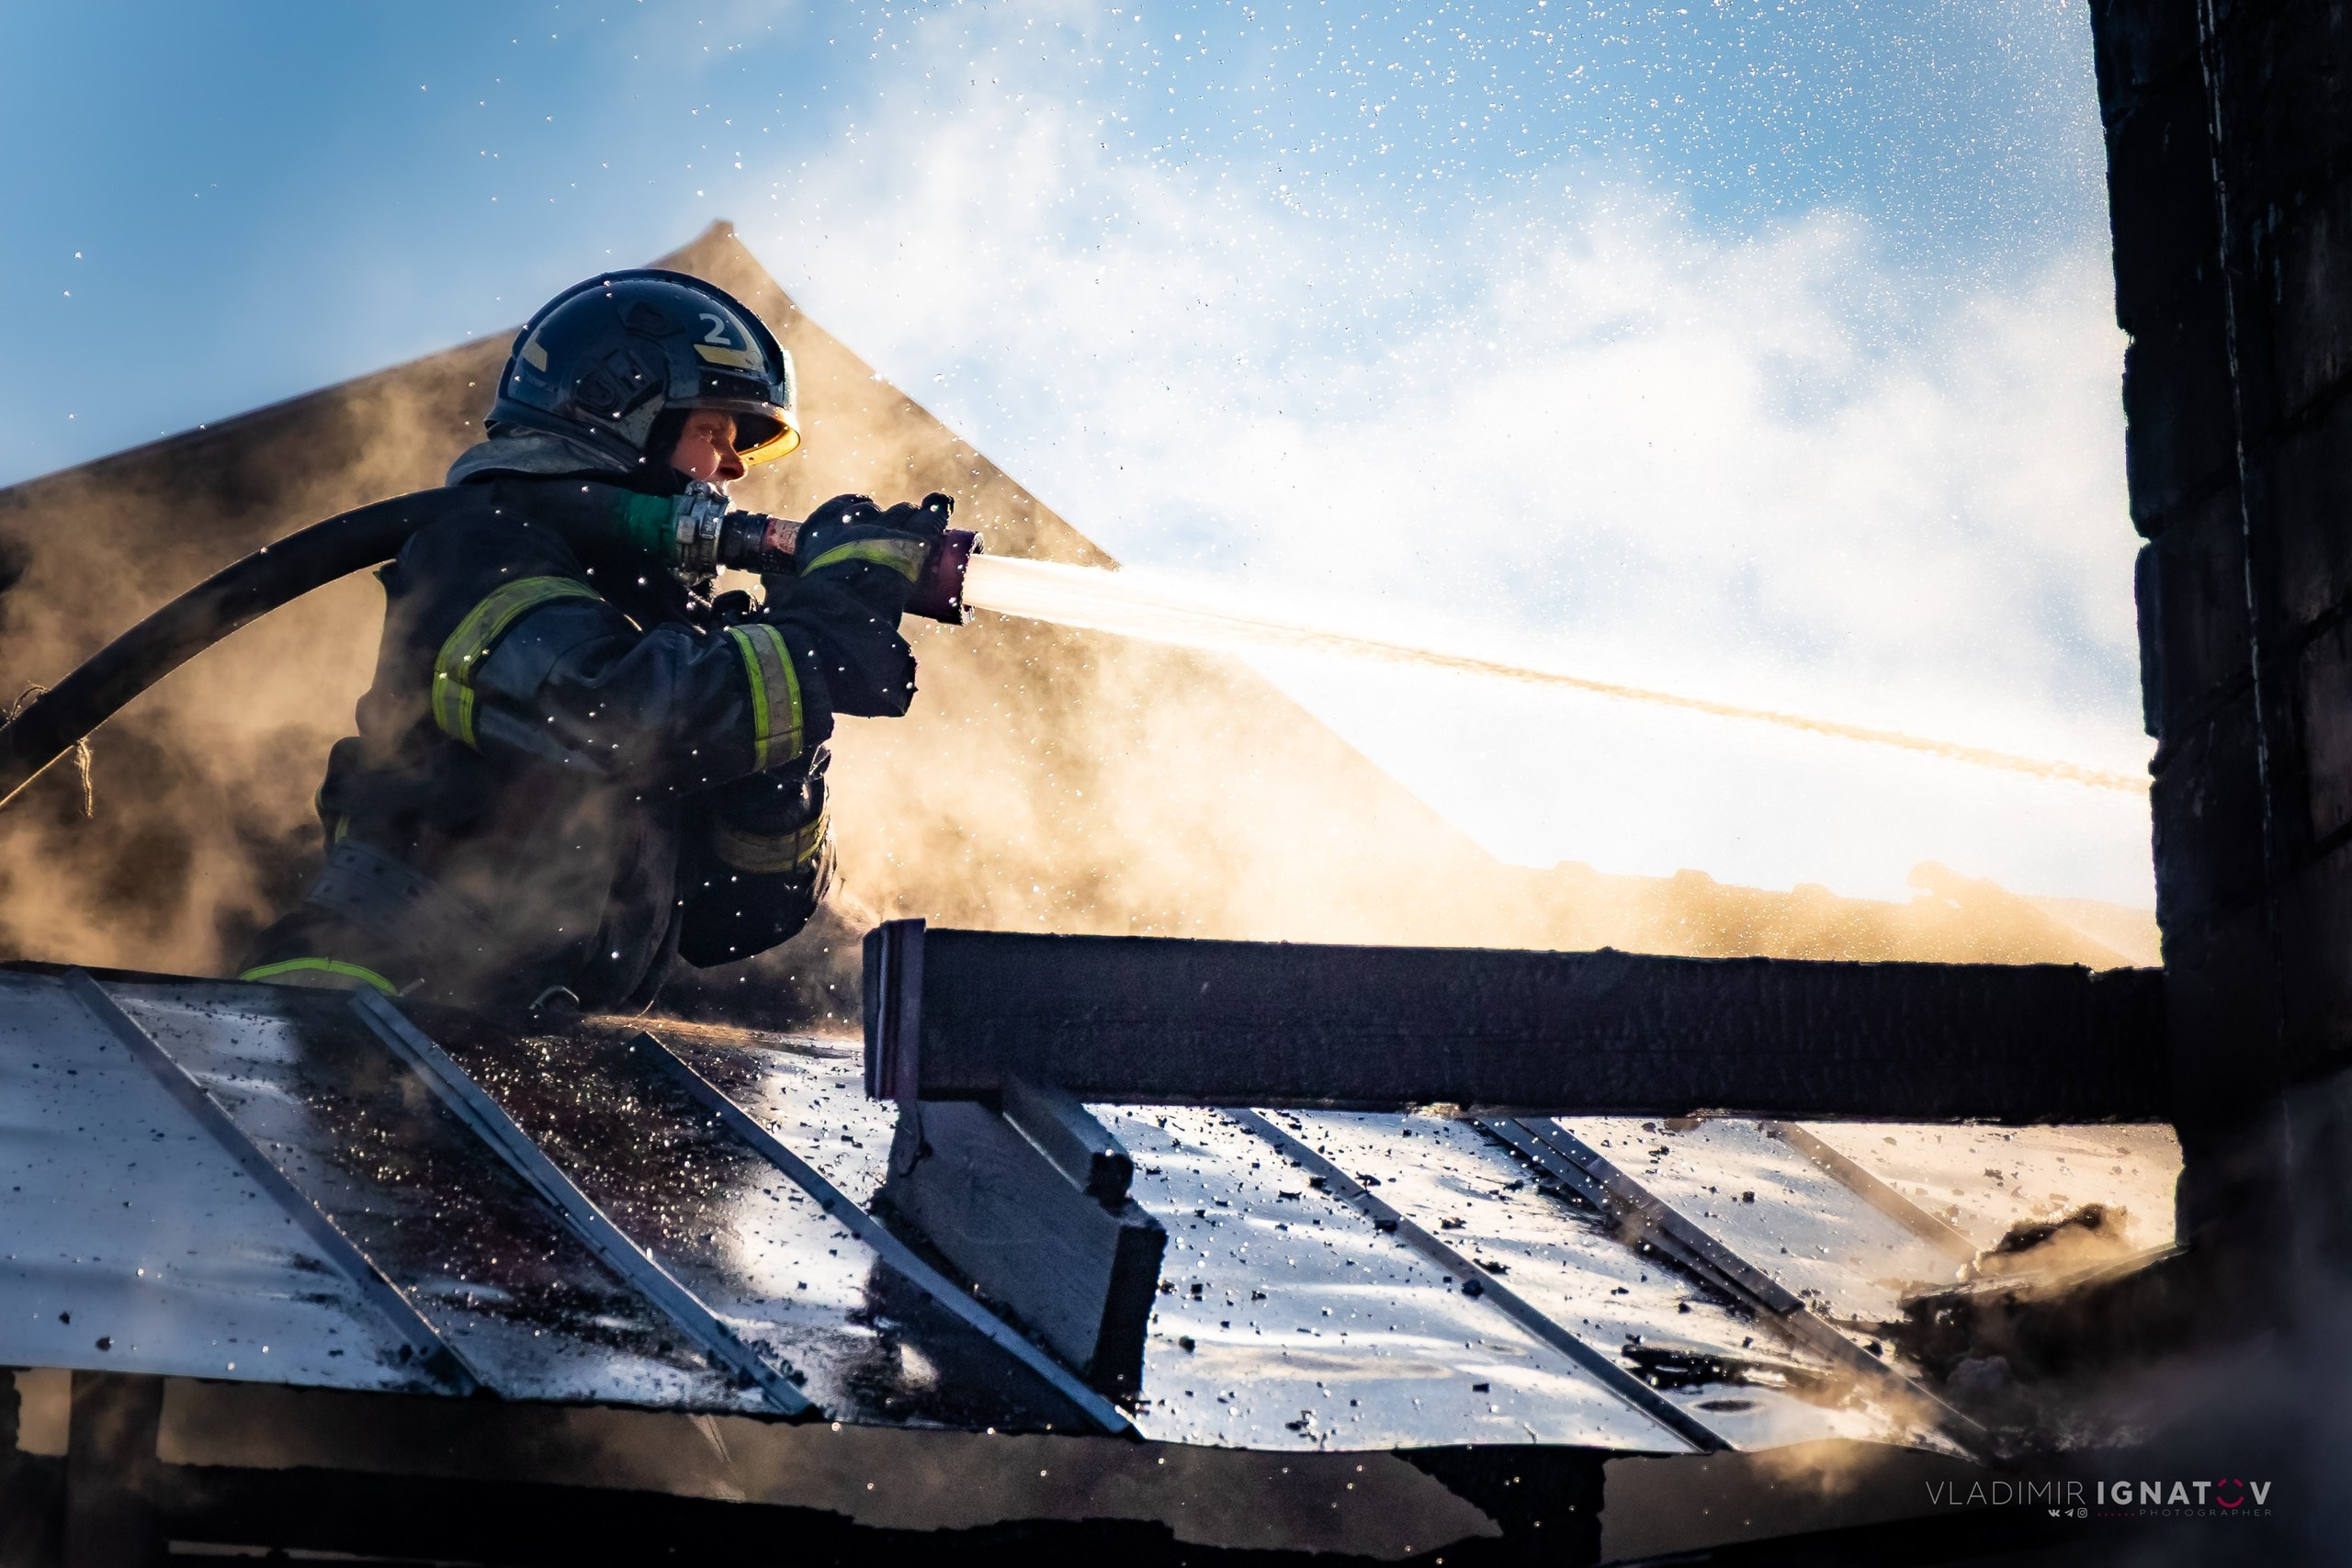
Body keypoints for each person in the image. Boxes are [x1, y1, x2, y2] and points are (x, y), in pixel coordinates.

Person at [240, 269, 938, 1017]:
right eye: (713, 433)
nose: (734, 470)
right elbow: (609, 718)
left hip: (518, 1039)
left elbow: (736, 919)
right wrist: (810, 642)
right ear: (621, 415)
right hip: (367, 1004)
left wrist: (785, 734)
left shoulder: (656, 628)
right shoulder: (477, 550)